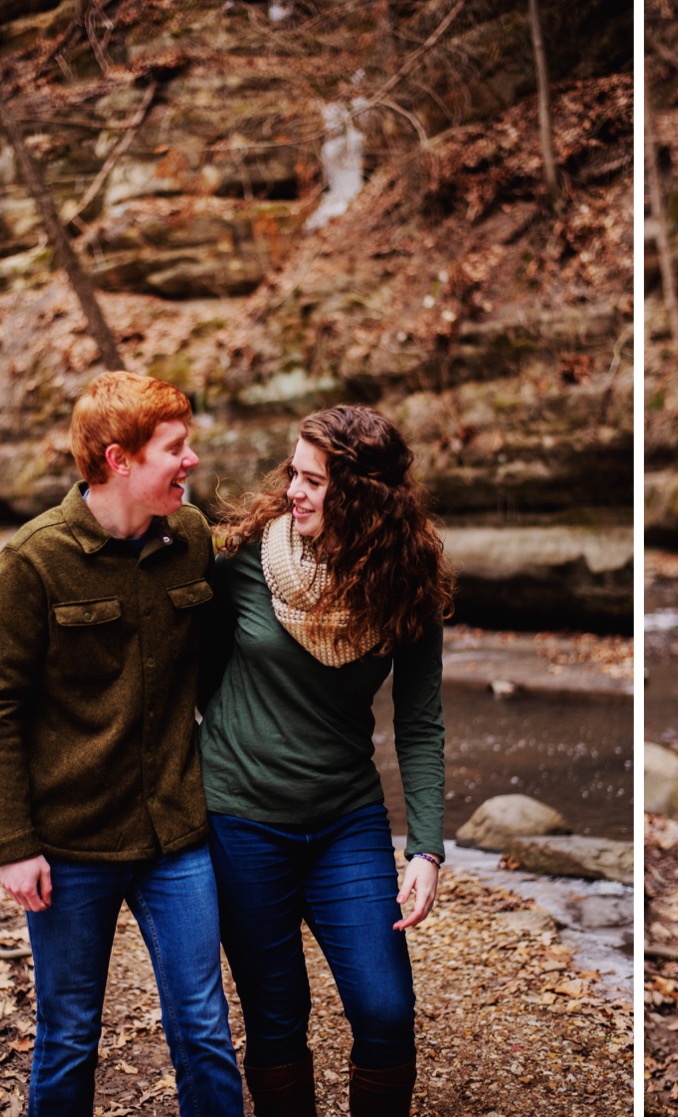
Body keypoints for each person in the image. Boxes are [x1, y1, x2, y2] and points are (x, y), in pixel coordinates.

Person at [0, 370, 244, 1116]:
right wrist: (14, 842)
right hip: (69, 845)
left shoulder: (189, 538)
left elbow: (218, 658)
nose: (191, 461)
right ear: (119, 459)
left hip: (175, 834)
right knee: (68, 1037)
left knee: (205, 1027)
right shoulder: (33, 561)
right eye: (175, 448)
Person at [198, 404, 454, 1117]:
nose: (294, 492)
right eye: (294, 474)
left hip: (346, 820)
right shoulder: (245, 558)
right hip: (241, 819)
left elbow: (421, 722)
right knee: (277, 1016)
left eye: (314, 480)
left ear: (363, 497)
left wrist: (426, 847)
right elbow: (198, 667)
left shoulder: (406, 581)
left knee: (384, 1009)